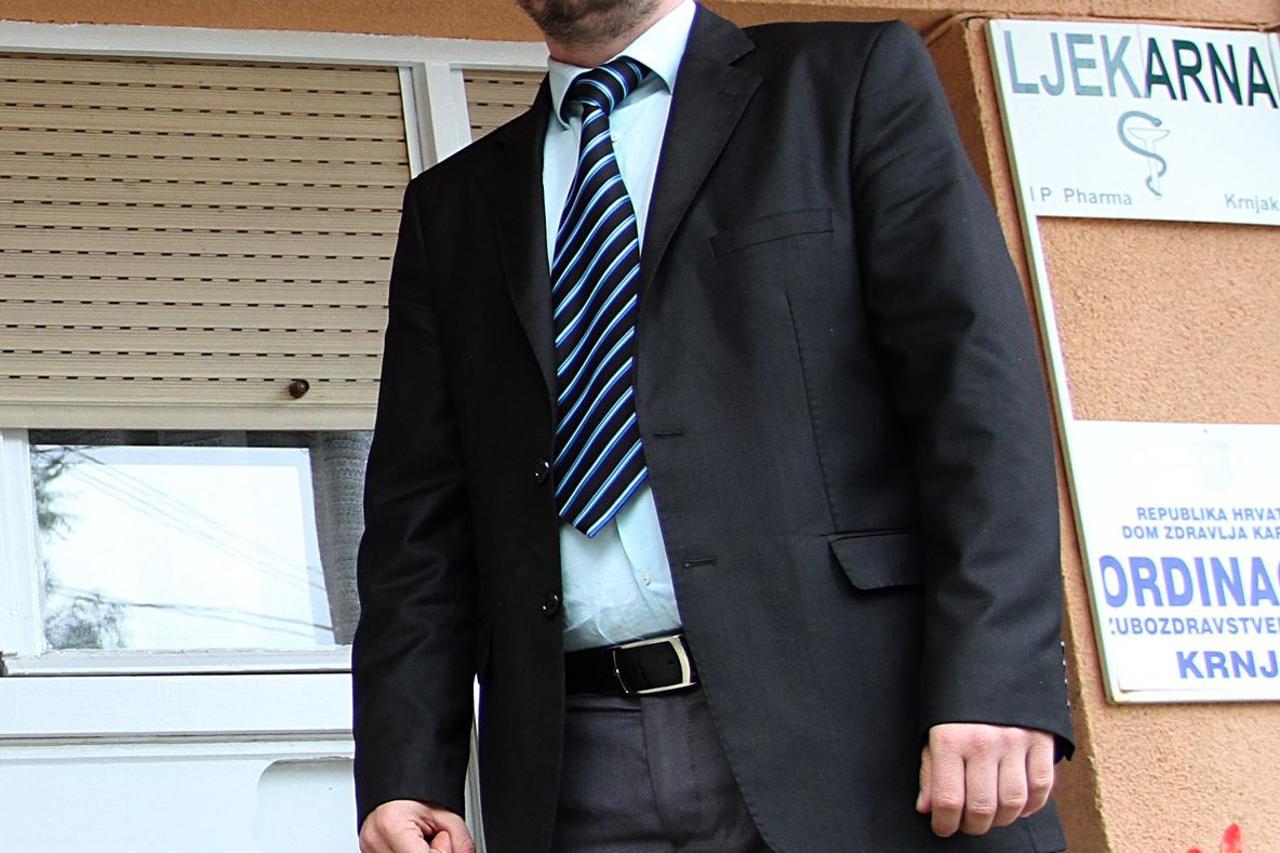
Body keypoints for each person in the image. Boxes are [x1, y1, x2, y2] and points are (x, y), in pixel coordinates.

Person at [351, 0, 1075, 850]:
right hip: (575, 771)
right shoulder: (452, 206)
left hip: (862, 734)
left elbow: (976, 397)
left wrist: (995, 675)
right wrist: (407, 768)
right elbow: (418, 520)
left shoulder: (844, 84)